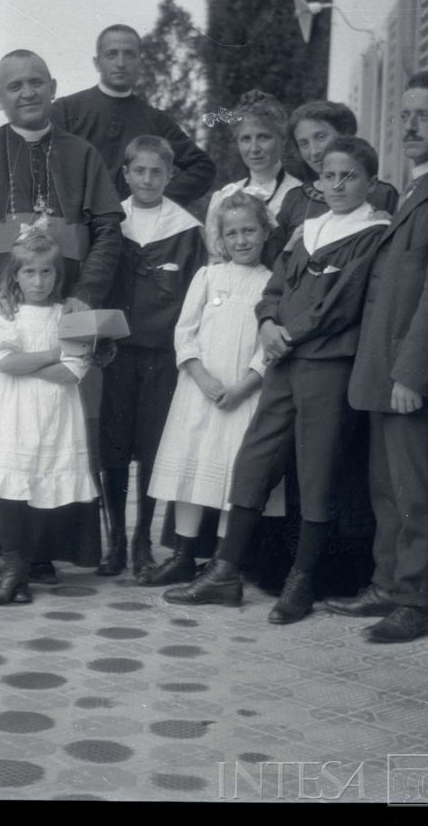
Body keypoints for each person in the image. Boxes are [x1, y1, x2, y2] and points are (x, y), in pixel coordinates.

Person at [0, 49, 123, 587]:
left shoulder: (82, 155)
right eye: (14, 85)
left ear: (53, 87)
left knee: (55, 431)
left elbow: (106, 230)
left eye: (36, 82)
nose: (27, 92)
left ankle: (41, 552)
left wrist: (87, 294)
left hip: (61, 313)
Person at [164, 136, 392, 618]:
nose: (336, 184)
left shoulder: (372, 233)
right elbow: (276, 285)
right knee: (253, 460)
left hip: (327, 365)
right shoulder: (310, 228)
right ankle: (226, 572)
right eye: (329, 175)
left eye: (348, 175)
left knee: (315, 472)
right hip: (284, 364)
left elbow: (341, 303)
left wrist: (287, 332)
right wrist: (267, 322)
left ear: (370, 182)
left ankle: (301, 581)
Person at [322, 73, 428, 643]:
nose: (411, 125)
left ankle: (416, 602)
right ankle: (389, 584)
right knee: (387, 487)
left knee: (418, 489)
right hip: (387, 369)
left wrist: (412, 375)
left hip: (417, 375)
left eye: (424, 115)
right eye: (404, 115)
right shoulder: (420, 188)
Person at [0, 224, 100, 605]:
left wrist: (28, 362)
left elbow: (73, 372)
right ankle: (10, 568)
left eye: (46, 272)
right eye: (29, 272)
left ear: (58, 274)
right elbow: (4, 362)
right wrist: (54, 354)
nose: (38, 281)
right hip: (11, 413)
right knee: (7, 484)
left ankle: (19, 575)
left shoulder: (68, 317)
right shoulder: (4, 313)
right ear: (15, 275)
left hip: (53, 414)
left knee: (39, 484)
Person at [142, 190, 276, 586]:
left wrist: (244, 387)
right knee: (190, 468)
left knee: (232, 476)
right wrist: (200, 376)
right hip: (198, 391)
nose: (241, 241)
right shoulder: (208, 276)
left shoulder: (272, 285)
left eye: (249, 231)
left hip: (242, 395)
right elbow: (185, 333)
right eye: (232, 233)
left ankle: (220, 561)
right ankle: (183, 555)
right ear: (221, 236)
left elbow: (265, 351)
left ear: (265, 232)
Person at [96, 135, 206, 577]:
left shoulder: (185, 229)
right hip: (116, 354)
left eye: (156, 171)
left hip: (162, 355)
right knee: (114, 447)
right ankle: (115, 543)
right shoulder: (110, 222)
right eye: (138, 170)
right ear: (125, 174)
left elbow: (195, 295)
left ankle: (143, 541)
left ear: (170, 175)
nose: (146, 179)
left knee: (153, 446)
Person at [50, 24, 215, 207]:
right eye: (112, 54)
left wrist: (152, 200)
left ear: (140, 62)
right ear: (97, 63)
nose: (120, 63)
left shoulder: (156, 120)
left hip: (135, 231)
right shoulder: (65, 110)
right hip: (77, 227)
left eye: (129, 54)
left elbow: (202, 168)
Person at [197, 90, 303, 268]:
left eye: (263, 137)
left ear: (282, 139)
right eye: (246, 139)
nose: (254, 148)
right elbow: (215, 259)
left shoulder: (299, 194)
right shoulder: (224, 197)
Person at [276, 101, 399, 246]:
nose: (314, 151)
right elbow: (277, 257)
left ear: (345, 134)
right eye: (304, 143)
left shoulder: (382, 193)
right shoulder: (295, 198)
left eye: (320, 137)